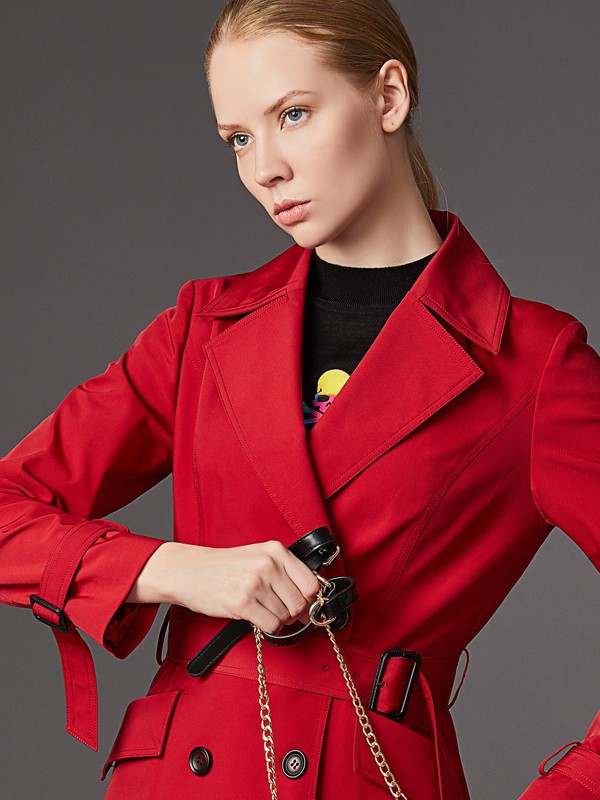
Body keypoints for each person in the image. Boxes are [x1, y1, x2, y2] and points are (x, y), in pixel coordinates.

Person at [0, 1, 598, 798]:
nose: (265, 169)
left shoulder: (532, 365)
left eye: (293, 115)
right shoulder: (202, 330)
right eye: (239, 139)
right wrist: (175, 569)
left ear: (389, 96)